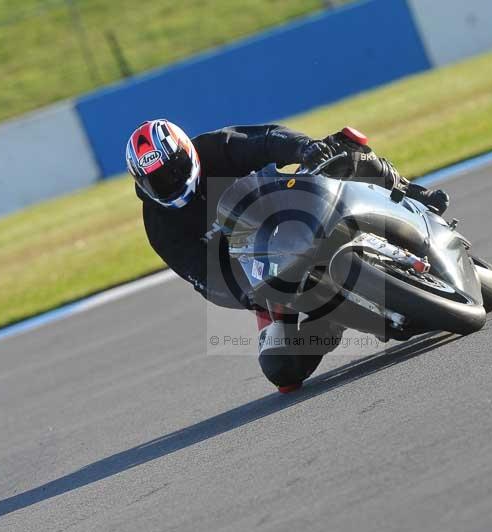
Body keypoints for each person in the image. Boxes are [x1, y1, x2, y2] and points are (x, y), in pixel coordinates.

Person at [125, 120, 449, 392]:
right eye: (159, 180)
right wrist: (250, 294)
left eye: (176, 168)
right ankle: (332, 318)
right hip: (259, 272)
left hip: (290, 206)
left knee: (342, 151)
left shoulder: (216, 146)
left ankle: (410, 194)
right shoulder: (159, 226)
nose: (171, 180)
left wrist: (303, 148)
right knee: (281, 371)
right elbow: (205, 279)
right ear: (143, 184)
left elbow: (267, 141)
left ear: (187, 152)